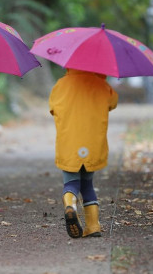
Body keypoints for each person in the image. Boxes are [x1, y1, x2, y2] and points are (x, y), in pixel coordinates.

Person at [49, 68, 118, 238]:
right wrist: (102, 75)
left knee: (71, 182)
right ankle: (93, 226)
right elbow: (113, 103)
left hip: (69, 143)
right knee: (88, 184)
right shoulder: (102, 85)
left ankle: (70, 203)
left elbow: (52, 108)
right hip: (92, 142)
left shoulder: (61, 85)